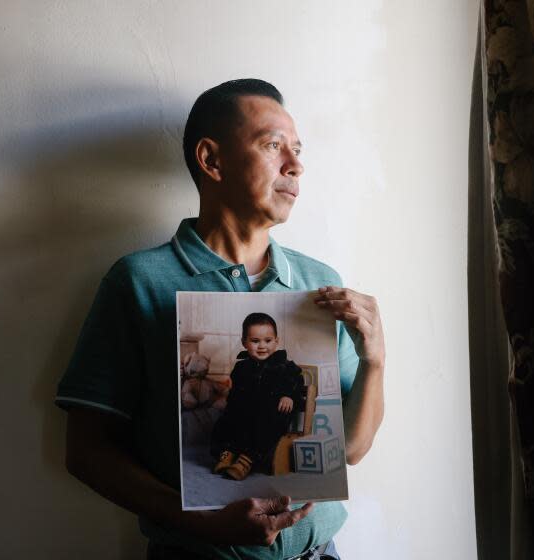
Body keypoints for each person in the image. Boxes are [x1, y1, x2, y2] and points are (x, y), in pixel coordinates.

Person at [56, 79, 385, 560]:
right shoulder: (140, 281)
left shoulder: (320, 284)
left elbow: (351, 449)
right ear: (211, 160)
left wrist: (375, 359)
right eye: (273, 146)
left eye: (297, 150)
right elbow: (85, 452)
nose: (296, 166)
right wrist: (198, 521)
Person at [211, 312, 305, 480]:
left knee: (265, 425)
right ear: (244, 343)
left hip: (272, 413)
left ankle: (247, 460)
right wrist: (229, 397)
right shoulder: (242, 367)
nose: (262, 346)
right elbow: (236, 390)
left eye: (267, 341)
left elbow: (296, 381)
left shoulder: (284, 366)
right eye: (255, 341)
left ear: (277, 341)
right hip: (245, 410)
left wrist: (288, 395)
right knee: (226, 422)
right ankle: (228, 453)